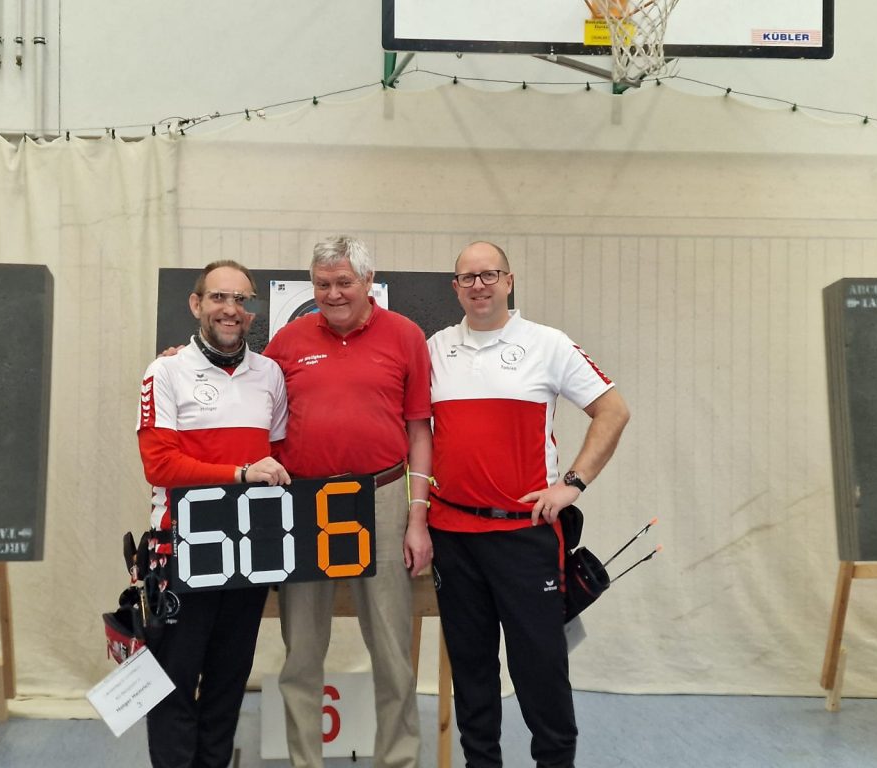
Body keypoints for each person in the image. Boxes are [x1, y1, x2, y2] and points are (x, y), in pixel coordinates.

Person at [427, 241, 630, 768]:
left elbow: (612, 410)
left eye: (489, 274)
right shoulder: (434, 349)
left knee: (540, 668)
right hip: (452, 537)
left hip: (524, 536)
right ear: (455, 287)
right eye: (468, 277)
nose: (479, 285)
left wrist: (572, 484)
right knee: (471, 670)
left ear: (509, 281)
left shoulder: (548, 344)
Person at [263, 234, 433, 768]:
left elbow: (420, 430)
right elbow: (246, 398)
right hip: (304, 505)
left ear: (368, 281)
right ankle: (304, 761)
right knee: (302, 651)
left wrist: (418, 517)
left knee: (392, 650)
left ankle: (399, 759)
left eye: (344, 282)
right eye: (322, 284)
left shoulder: (406, 336)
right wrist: (183, 361)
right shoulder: (287, 341)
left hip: (382, 499)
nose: (333, 294)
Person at [136, 259, 291, 768]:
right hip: (181, 550)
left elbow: (279, 458)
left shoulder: (269, 374)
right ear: (196, 304)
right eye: (219, 297)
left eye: (241, 300)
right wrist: (240, 474)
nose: (231, 309)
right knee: (174, 686)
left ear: (252, 311)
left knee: (228, 685)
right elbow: (160, 465)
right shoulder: (165, 371)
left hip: (248, 553)